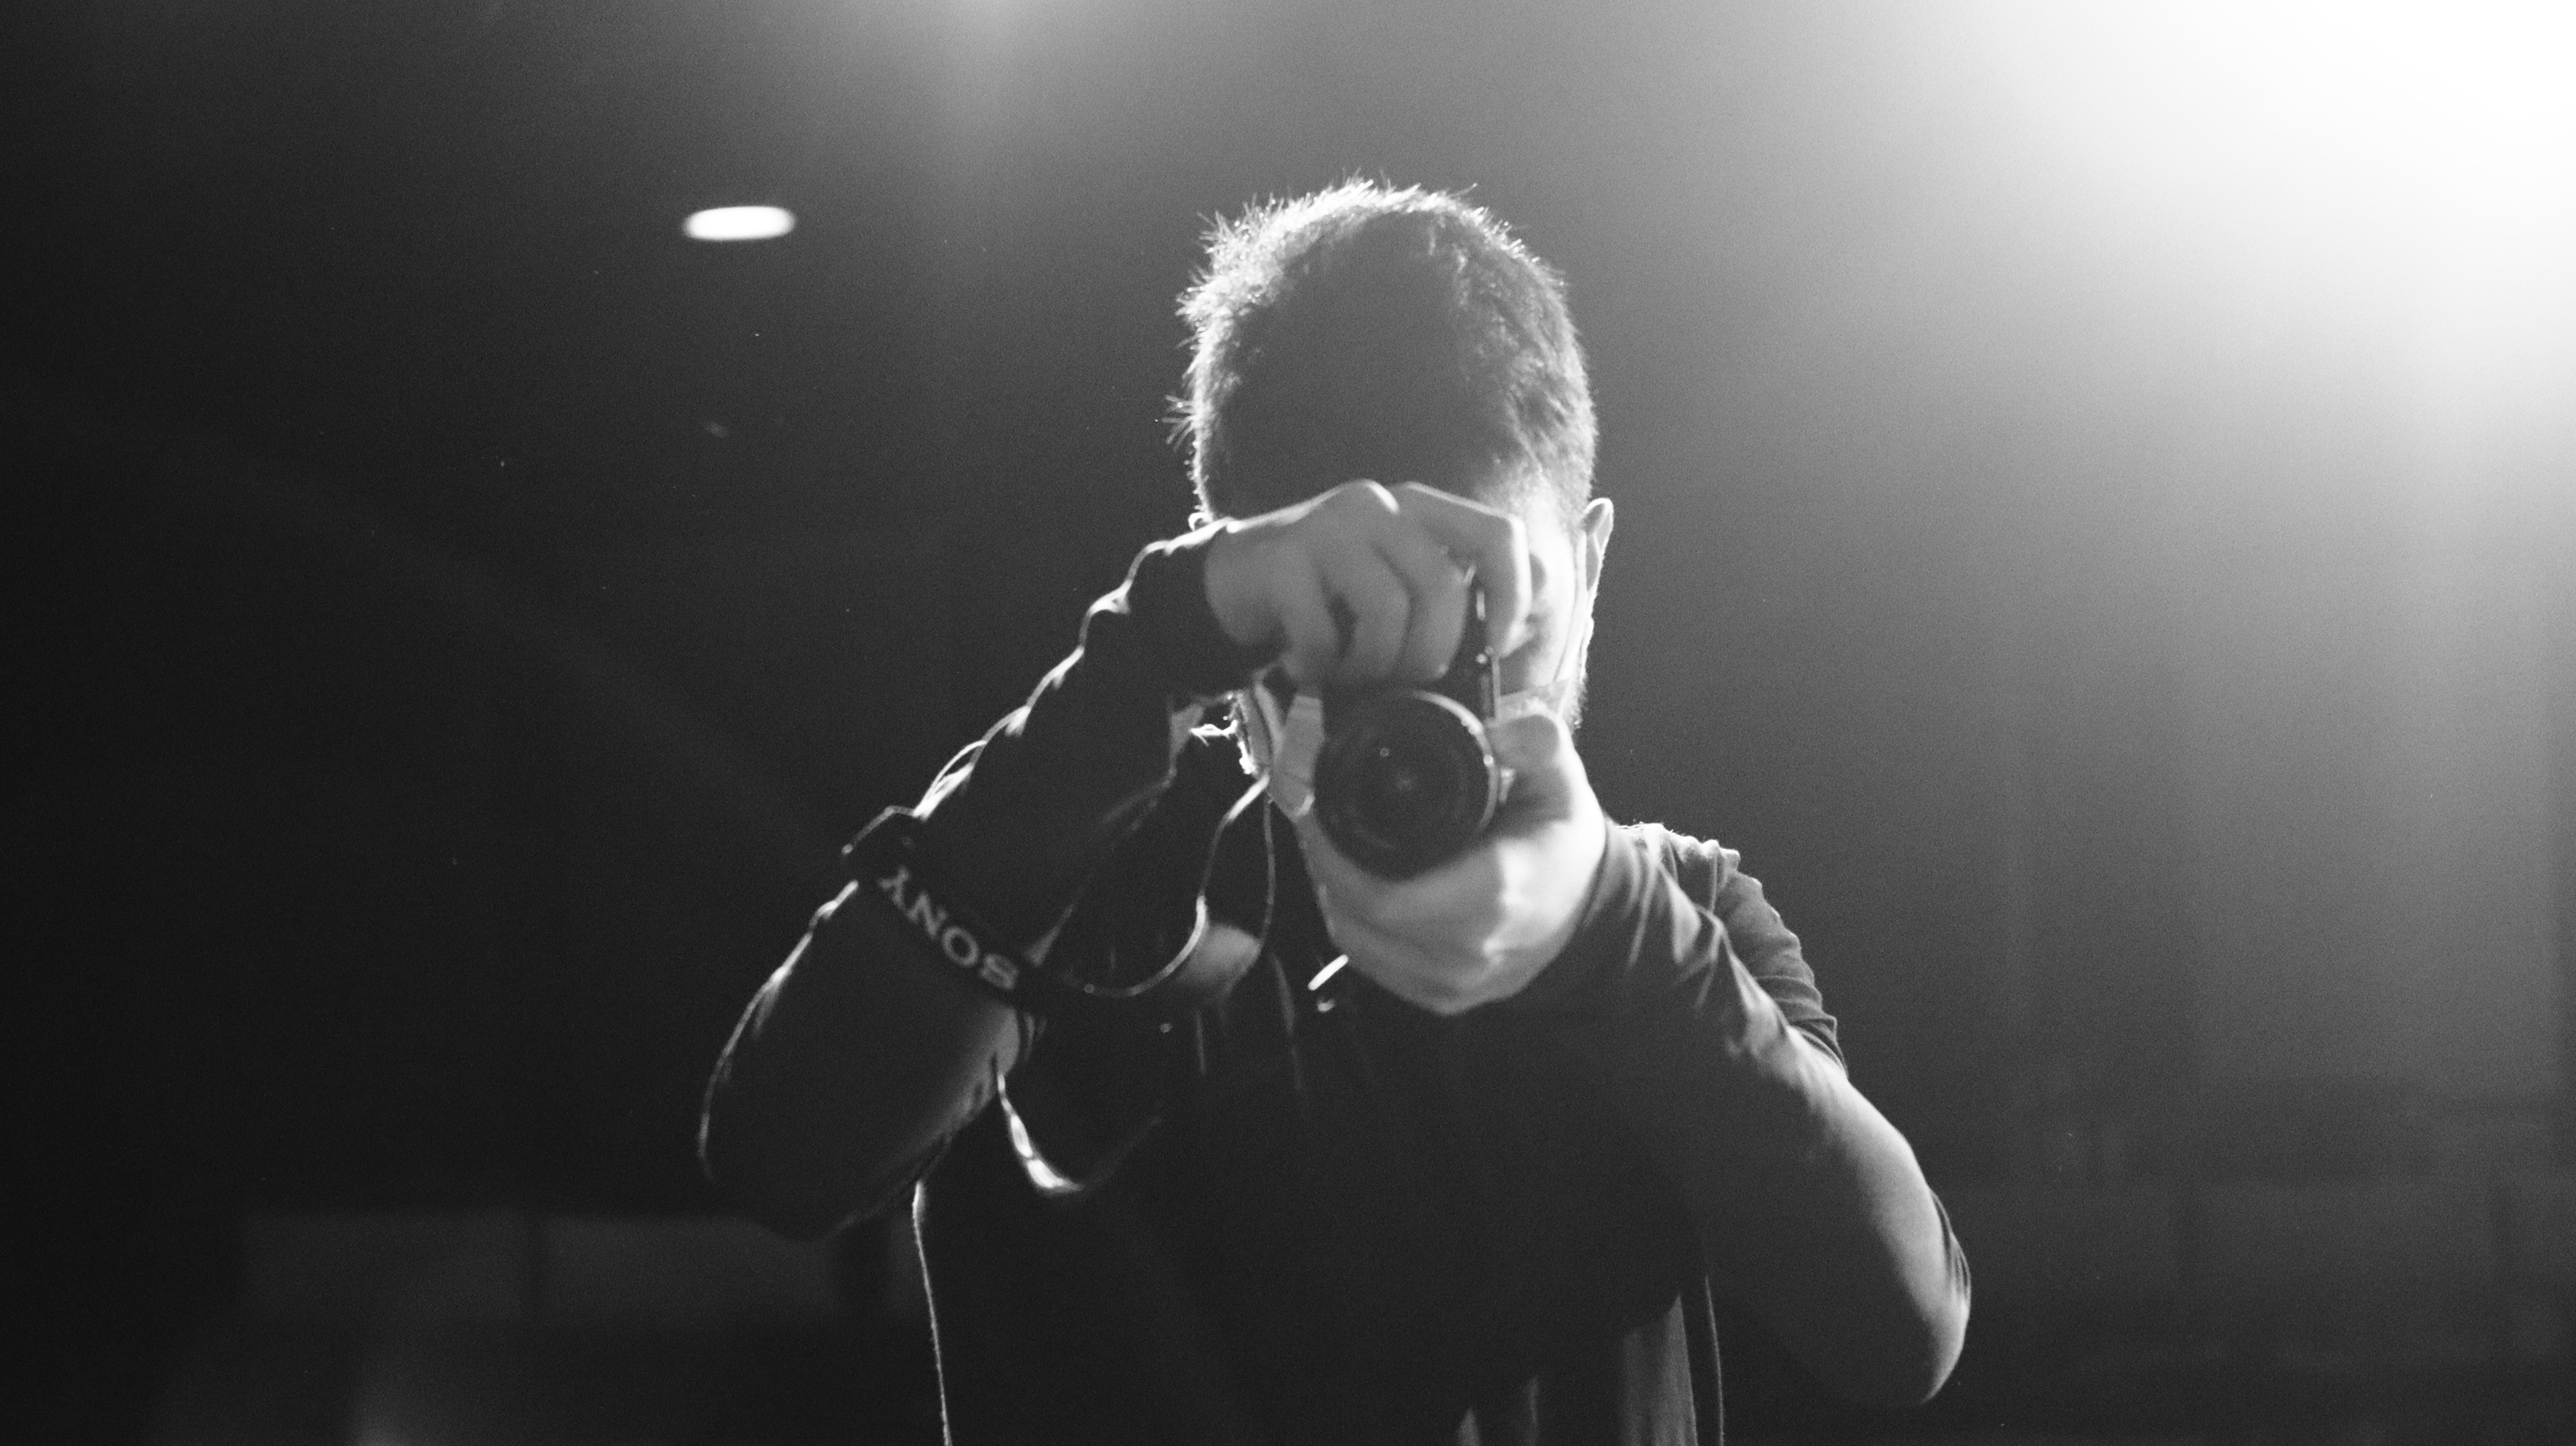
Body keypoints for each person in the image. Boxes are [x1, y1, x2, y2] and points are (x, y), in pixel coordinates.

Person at [700, 181, 1969, 1445]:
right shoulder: (1082, 860)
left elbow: (1900, 1331)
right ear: (1235, 567)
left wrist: (1611, 930)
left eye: (1487, 620)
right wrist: (1149, 654)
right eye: (1347, 620)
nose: (1416, 692)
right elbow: (783, 1158)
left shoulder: (1677, 918)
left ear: (1586, 564)